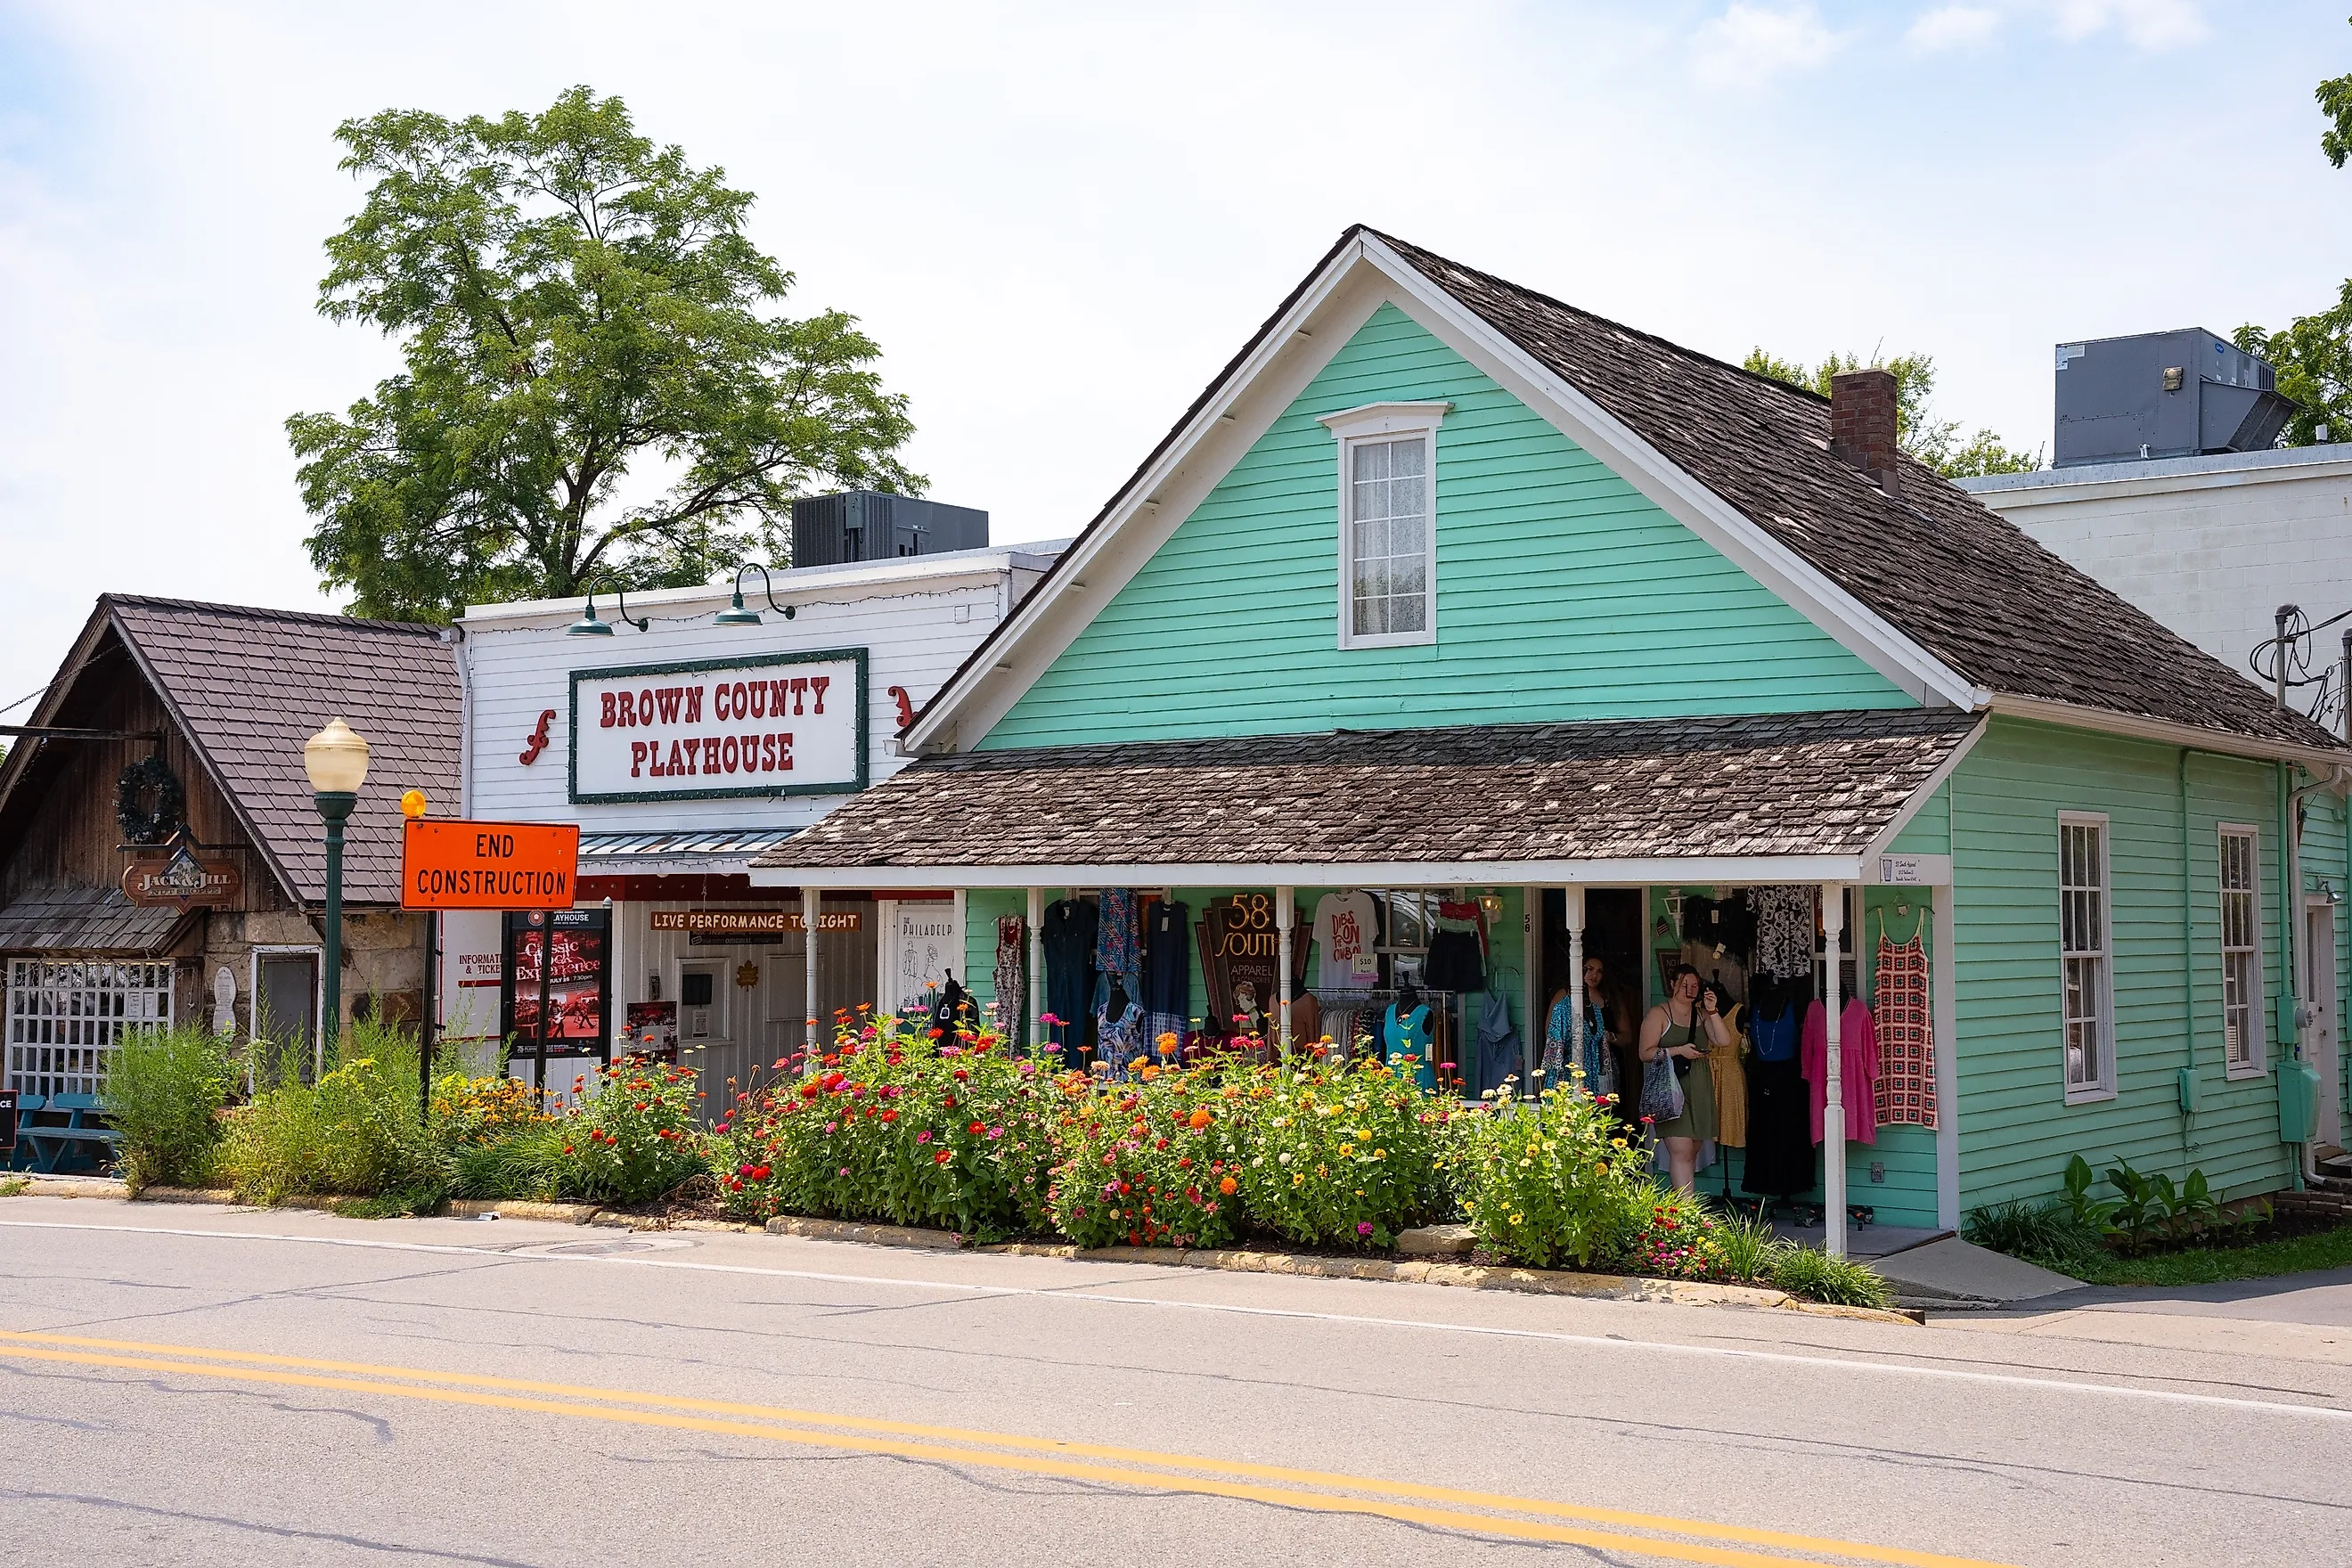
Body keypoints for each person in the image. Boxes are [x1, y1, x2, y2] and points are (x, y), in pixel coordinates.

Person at [1638, 963, 1730, 1191]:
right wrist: (1679, 1051)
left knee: (1691, 1151)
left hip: (1699, 1085)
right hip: (1670, 1087)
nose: (1689, 989)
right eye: (1684, 984)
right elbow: (1645, 1053)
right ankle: (1686, 1213)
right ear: (1673, 984)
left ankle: (1680, 1205)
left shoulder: (1701, 1014)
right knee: (1680, 1150)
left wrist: (1712, 1010)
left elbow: (1723, 1041)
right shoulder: (1659, 1013)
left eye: (1695, 985)